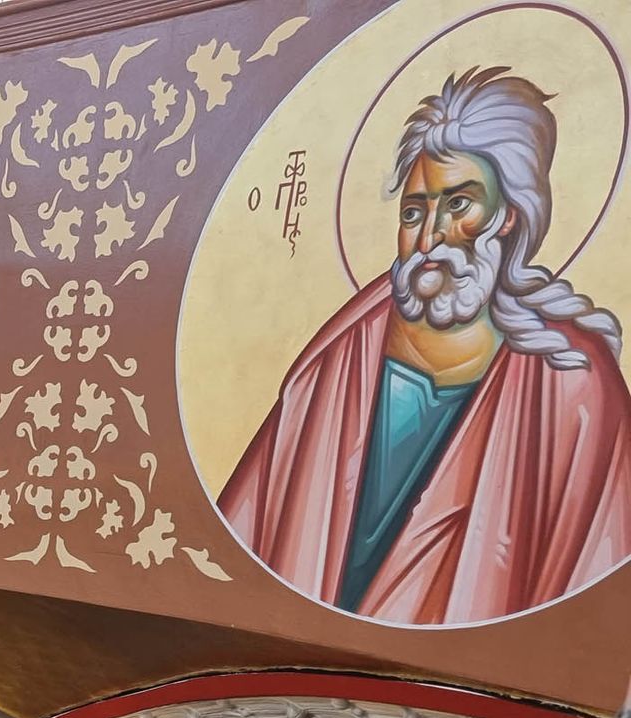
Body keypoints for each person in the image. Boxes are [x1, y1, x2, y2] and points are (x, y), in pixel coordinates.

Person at [220, 68, 631, 623]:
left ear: (510, 214)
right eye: (413, 212)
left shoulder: (570, 378)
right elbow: (248, 530)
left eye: (460, 204)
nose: (431, 233)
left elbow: (593, 576)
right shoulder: (343, 354)